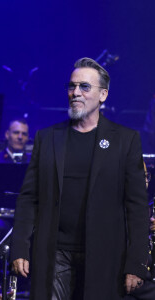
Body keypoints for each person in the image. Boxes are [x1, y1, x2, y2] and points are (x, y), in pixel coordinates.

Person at [11, 57, 150, 300]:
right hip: (54, 252)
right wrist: (20, 247)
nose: (76, 92)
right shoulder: (47, 138)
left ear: (103, 95)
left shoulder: (125, 140)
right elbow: (28, 198)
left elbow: (137, 207)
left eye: (85, 87)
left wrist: (136, 262)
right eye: (72, 86)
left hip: (104, 254)